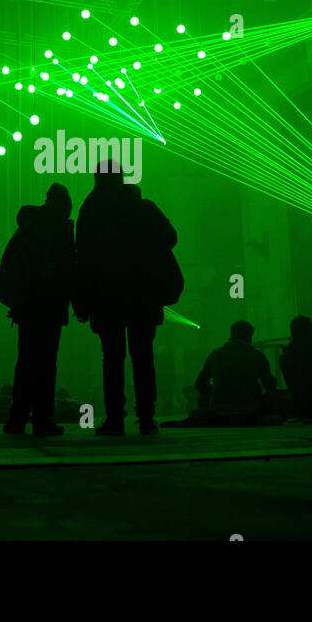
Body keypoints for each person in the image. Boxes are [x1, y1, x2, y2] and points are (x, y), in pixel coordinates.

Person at [76, 161, 179, 436]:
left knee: (112, 357)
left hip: (106, 297)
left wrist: (82, 302)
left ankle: (115, 418)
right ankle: (146, 416)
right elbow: (170, 237)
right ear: (122, 178)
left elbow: (83, 260)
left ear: (97, 180)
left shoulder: (90, 212)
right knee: (143, 356)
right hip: (143, 295)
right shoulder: (143, 207)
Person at [0, 183, 78, 436]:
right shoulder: (61, 232)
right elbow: (71, 271)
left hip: (28, 308)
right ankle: (42, 420)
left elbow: (10, 268)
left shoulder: (27, 229)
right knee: (45, 365)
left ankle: (17, 419)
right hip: (50, 307)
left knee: (26, 363)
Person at [191, 321, 278, 425]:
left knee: (203, 397)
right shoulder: (257, 356)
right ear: (250, 336)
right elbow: (270, 385)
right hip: (249, 411)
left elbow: (199, 384)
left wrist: (217, 391)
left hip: (218, 411)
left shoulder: (215, 355)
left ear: (232, 335)